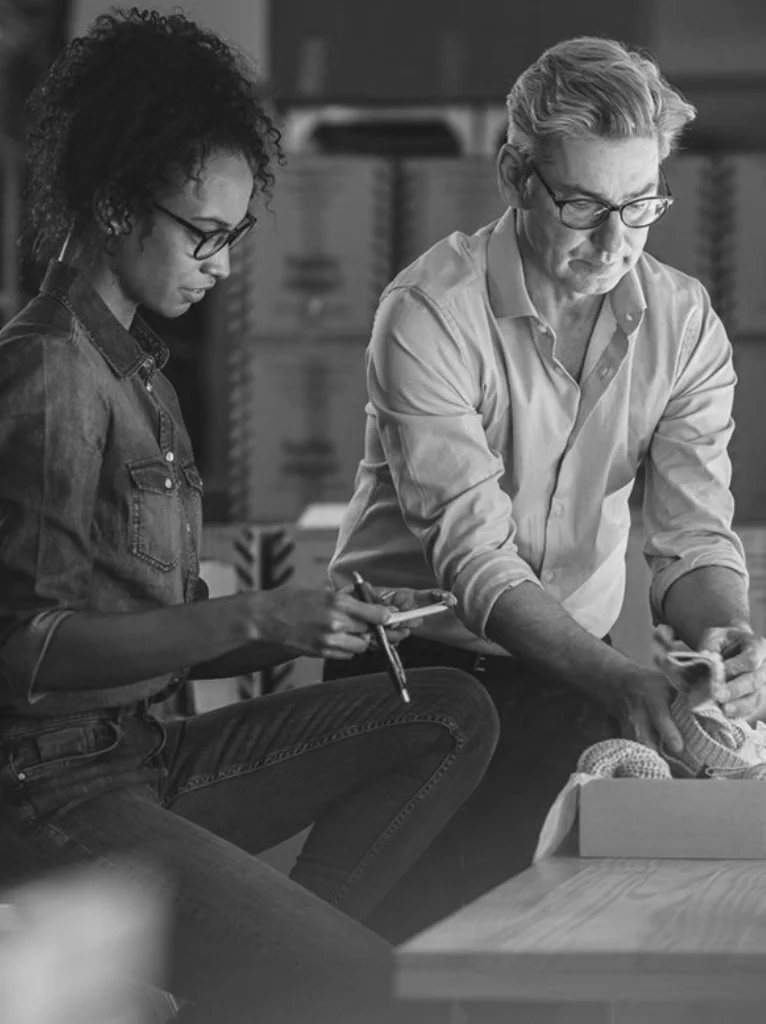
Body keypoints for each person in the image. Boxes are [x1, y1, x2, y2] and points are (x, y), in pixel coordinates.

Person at [0, 10, 501, 1024]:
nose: (221, 265)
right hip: (51, 792)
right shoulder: (52, 372)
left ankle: (266, 985)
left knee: (449, 712)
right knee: (374, 989)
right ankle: (294, 984)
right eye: (204, 234)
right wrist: (259, 615)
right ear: (113, 205)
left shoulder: (137, 370)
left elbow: (165, 628)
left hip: (142, 752)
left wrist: (319, 615)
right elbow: (25, 650)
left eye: (233, 237)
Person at [326, 35, 766, 941]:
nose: (615, 241)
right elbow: (475, 560)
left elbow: (691, 537)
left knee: (560, 936)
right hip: (407, 674)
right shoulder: (429, 314)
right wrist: (618, 681)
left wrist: (723, 632)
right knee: (395, 953)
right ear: (514, 176)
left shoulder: (683, 323)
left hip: (571, 670)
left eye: (640, 206)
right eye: (583, 206)